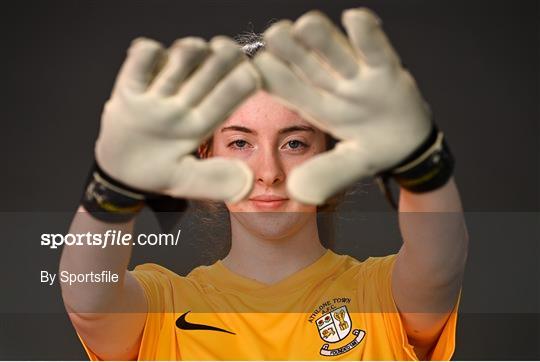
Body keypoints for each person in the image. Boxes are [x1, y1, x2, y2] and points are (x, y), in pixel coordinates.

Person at [60, 8, 468, 361]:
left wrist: (422, 162)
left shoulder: (378, 296)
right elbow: (89, 300)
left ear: (328, 151)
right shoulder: (164, 307)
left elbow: (440, 264)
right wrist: (112, 186)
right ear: (207, 153)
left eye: (294, 142)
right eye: (241, 142)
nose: (268, 170)